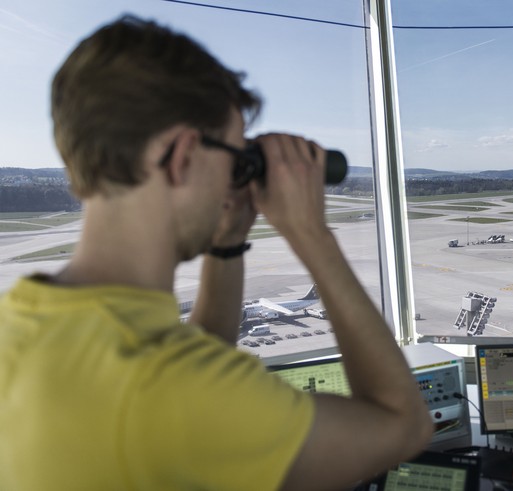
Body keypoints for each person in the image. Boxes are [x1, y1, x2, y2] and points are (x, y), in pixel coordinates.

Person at [0, 15, 433, 491]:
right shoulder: (172, 393)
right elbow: (403, 425)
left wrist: (227, 243)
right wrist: (311, 233)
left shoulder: (25, 326)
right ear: (184, 155)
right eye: (233, 159)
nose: (235, 179)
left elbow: (199, 356)